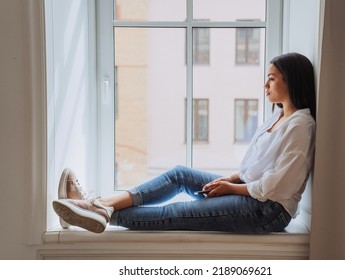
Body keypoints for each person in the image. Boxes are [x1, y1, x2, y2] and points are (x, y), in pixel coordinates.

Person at [53, 52, 316, 234]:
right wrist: (229, 180)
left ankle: (93, 211)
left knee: (178, 212)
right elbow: (255, 166)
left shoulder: (301, 126)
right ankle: (98, 205)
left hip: (268, 210)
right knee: (181, 175)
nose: (265, 85)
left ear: (291, 79)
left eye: (271, 78)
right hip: (251, 192)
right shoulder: (279, 116)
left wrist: (232, 189)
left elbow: (276, 185)